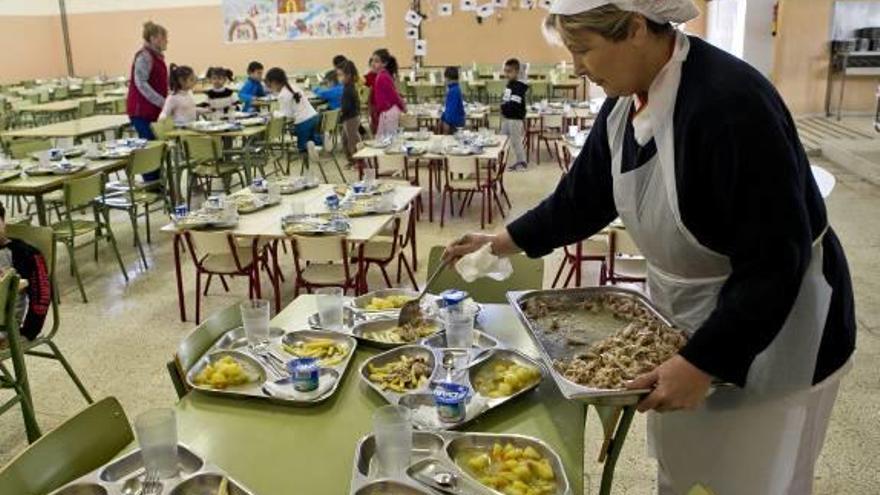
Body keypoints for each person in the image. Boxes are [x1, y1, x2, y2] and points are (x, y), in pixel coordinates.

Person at [446, 2, 856, 494]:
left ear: (636, 29)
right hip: (693, 317)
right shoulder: (625, 103)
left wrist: (704, 361)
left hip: (780, 328)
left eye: (583, 50)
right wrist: (502, 242)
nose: (576, 66)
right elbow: (581, 199)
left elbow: (775, 260)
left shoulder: (729, 105)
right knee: (689, 469)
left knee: (755, 474)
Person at [0, 204, 52, 349]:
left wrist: (28, 332)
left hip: (5, 327)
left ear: (3, 221)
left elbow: (42, 295)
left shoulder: (25, 253)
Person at [126, 21, 168, 181]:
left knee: (157, 147)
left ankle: (157, 183)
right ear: (154, 38)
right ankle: (152, 183)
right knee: (150, 147)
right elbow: (141, 83)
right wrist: (161, 101)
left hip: (154, 110)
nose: (167, 41)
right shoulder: (144, 56)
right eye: (164, 38)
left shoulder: (157, 57)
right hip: (141, 111)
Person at [265, 67, 322, 153]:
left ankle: (310, 147)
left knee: (301, 148)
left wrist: (274, 113)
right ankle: (322, 140)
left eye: (270, 85)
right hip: (314, 117)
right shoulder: (294, 87)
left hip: (303, 123)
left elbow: (287, 115)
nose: (270, 87)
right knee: (311, 137)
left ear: (274, 82)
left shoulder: (282, 95)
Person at [368, 48, 406, 137]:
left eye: (376, 61)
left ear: (384, 63)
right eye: (372, 60)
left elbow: (394, 95)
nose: (373, 63)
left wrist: (403, 107)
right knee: (382, 138)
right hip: (385, 112)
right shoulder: (381, 75)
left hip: (389, 112)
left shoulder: (383, 76)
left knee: (388, 139)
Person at [500, 58, 529, 171]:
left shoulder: (518, 87)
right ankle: (499, 161)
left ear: (516, 72)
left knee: (516, 141)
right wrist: (503, 107)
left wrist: (504, 107)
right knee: (502, 139)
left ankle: (522, 162)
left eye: (509, 71)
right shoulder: (510, 85)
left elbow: (513, 105)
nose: (506, 74)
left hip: (515, 119)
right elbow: (506, 100)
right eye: (505, 71)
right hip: (507, 118)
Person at [337, 60, 361, 166]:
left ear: (349, 75)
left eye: (341, 75)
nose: (339, 78)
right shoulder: (348, 87)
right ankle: (352, 160)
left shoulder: (349, 89)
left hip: (350, 118)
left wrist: (341, 113)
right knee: (345, 140)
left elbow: (347, 106)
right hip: (350, 117)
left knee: (352, 142)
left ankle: (358, 162)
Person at [441, 66, 465, 134]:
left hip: (454, 123)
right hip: (457, 121)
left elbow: (450, 110)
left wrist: (446, 121)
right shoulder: (456, 89)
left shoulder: (453, 91)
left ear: (448, 78)